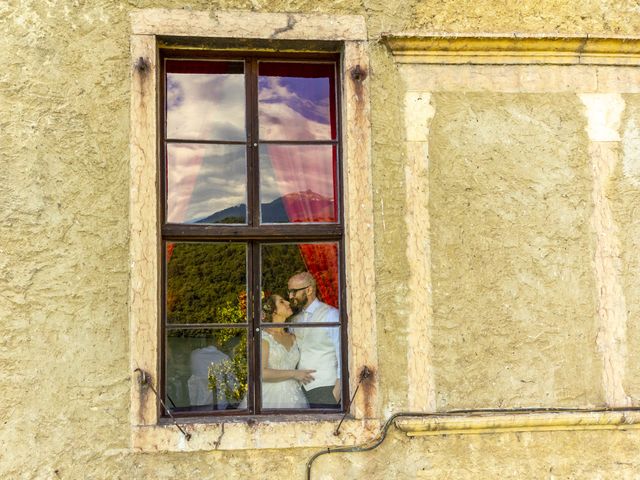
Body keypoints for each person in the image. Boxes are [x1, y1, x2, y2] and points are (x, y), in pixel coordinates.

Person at [287, 271, 341, 408]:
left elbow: (343, 353)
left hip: (326, 387)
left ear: (309, 290)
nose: (290, 296)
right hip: (299, 392)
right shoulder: (294, 320)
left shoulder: (331, 315)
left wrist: (337, 391)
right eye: (289, 292)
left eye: (294, 291)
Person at [261, 294, 315, 408]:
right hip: (270, 398)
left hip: (295, 396)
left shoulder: (292, 336)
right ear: (273, 311)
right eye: (282, 302)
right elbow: (262, 373)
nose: (288, 303)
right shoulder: (264, 338)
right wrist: (294, 374)